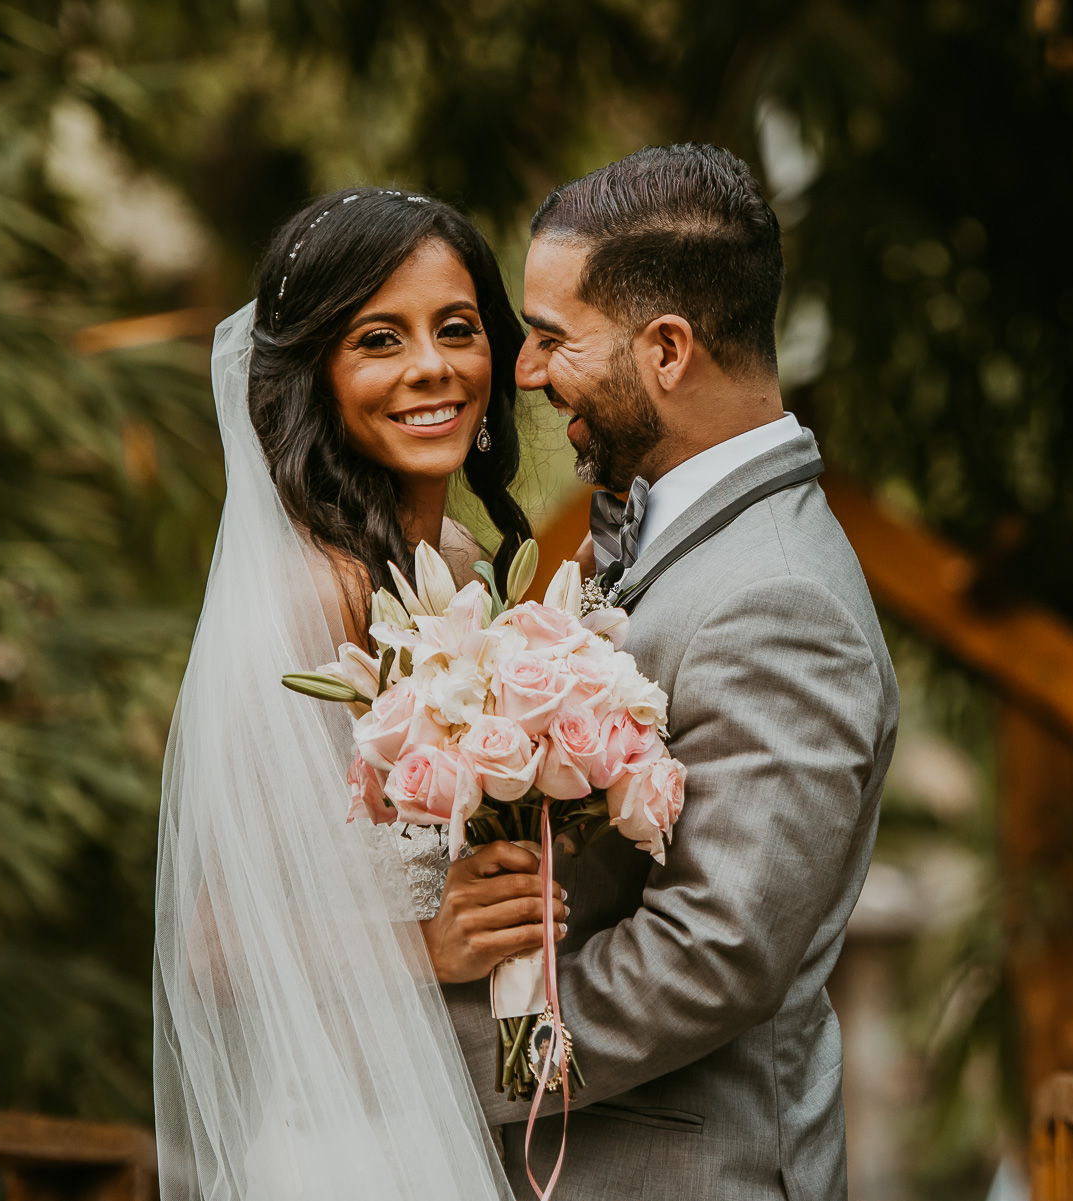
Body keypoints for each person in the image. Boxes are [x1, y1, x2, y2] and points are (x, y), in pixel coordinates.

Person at [428, 144, 900, 1199]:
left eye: (553, 338)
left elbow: (712, 951)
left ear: (668, 350)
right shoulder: (667, 532)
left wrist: (455, 1060)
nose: (525, 372)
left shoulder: (783, 599)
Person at [152, 187, 560, 1200]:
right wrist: (426, 946)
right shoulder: (308, 593)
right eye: (381, 338)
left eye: (456, 329)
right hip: (351, 1143)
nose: (432, 367)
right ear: (318, 376)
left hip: (459, 1116)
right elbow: (212, 941)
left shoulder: (461, 565)